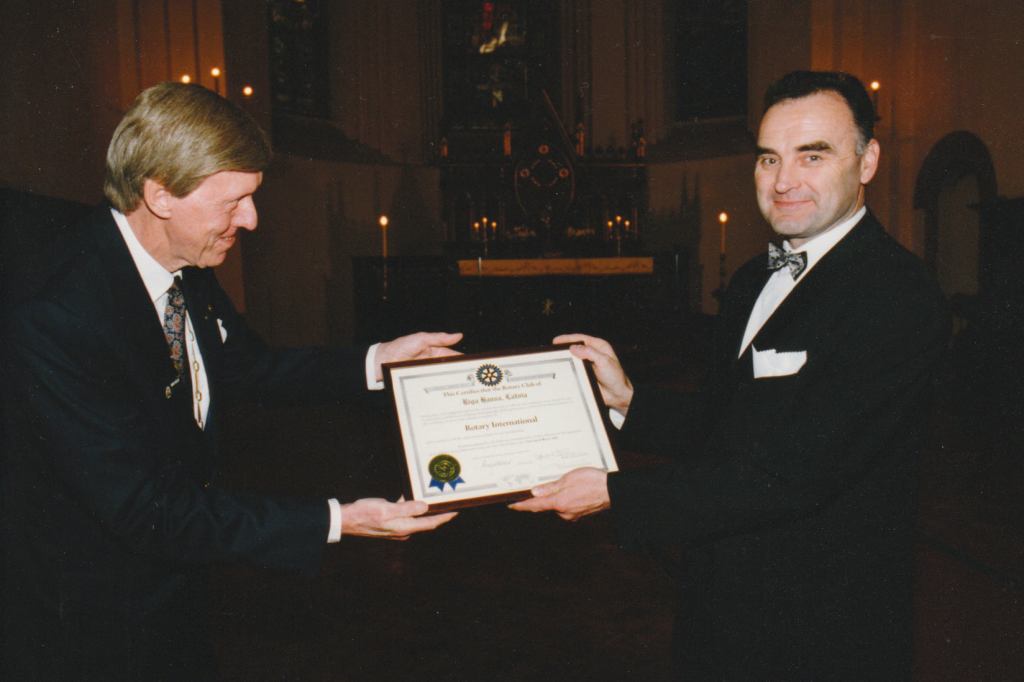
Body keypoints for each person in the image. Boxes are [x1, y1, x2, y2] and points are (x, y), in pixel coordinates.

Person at [1, 82, 459, 680]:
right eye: (234, 201)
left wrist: (379, 360)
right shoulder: (59, 315)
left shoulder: (183, 264)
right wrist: (337, 520)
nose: (251, 219)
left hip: (176, 588)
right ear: (160, 195)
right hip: (90, 621)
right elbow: (147, 510)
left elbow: (247, 367)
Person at [512, 71, 951, 679]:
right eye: (769, 158)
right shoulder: (750, 280)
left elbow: (795, 472)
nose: (783, 181)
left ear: (867, 161)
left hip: (822, 623)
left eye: (812, 155)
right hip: (724, 600)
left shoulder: (896, 294)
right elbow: (731, 424)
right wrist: (630, 400)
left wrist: (616, 492)